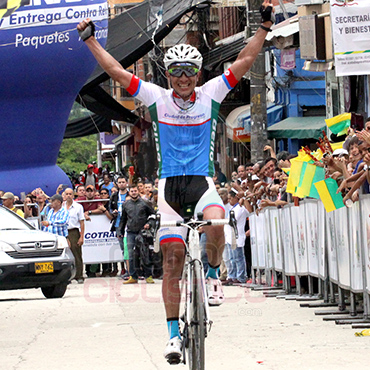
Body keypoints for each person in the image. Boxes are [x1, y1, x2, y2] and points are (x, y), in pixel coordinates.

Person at [77, 1, 275, 362]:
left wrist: (262, 28)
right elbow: (118, 73)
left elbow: (243, 63)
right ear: (168, 75)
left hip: (202, 182)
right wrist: (90, 41)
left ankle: (213, 275)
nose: (183, 78)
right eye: (176, 72)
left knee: (216, 223)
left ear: (198, 74)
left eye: (189, 71)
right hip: (168, 188)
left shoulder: (211, 93)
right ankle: (172, 336)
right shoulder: (156, 98)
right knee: (172, 260)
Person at [118, 185, 155, 284]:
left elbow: (153, 215)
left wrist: (149, 224)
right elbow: (123, 219)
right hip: (130, 232)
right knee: (131, 255)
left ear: (138, 191)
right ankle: (133, 276)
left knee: (145, 254)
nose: (133, 192)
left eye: (135, 191)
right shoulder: (126, 204)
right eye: (132, 191)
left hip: (142, 232)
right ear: (129, 192)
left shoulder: (145, 203)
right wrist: (120, 231)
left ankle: (148, 275)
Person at [63, 188, 85, 283]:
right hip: (63, 231)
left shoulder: (78, 207)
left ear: (73, 195)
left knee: (76, 253)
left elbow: (82, 222)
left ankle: (79, 275)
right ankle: (67, 276)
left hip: (73, 231)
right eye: (66, 194)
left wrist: (81, 236)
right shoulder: (61, 206)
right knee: (65, 254)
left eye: (70, 194)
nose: (68, 196)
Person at [110, 176, 129, 278]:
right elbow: (110, 208)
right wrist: (113, 212)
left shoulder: (130, 194)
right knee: (123, 248)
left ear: (126, 183)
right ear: (117, 184)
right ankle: (127, 270)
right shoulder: (114, 196)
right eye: (119, 182)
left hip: (130, 224)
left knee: (132, 248)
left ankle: (135, 270)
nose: (121, 184)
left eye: (123, 182)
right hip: (118, 225)